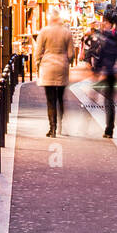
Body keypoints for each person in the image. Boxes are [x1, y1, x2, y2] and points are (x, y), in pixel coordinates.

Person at [33, 8, 75, 137]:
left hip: (48, 67)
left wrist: (37, 64)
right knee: (60, 98)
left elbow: (38, 51)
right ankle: (61, 124)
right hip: (62, 67)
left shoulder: (44, 31)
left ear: (50, 18)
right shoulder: (66, 32)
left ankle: (52, 128)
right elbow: (71, 54)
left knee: (50, 99)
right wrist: (68, 61)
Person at [91, 15, 117, 139]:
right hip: (112, 73)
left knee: (107, 102)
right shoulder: (115, 38)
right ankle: (110, 128)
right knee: (109, 102)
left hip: (106, 74)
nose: (102, 24)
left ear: (108, 24)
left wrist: (96, 69)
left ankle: (109, 129)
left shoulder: (104, 40)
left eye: (104, 22)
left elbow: (100, 56)